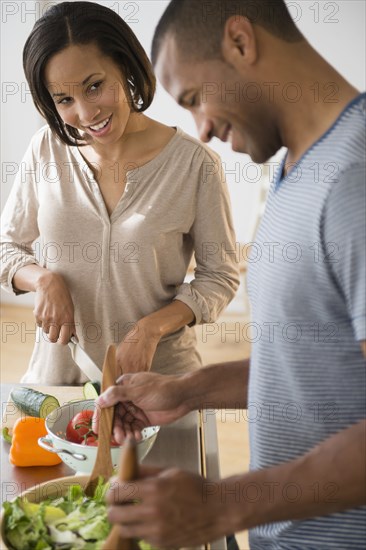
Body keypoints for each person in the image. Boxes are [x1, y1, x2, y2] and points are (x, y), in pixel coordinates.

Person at [95, 0, 366, 548]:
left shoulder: (355, 179)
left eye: (195, 98)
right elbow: (310, 365)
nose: (204, 129)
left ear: (240, 42)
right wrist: (187, 391)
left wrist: (223, 504)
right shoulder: (301, 169)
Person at [0, 1, 240, 384]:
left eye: (94, 87)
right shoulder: (45, 149)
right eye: (65, 100)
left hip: (160, 382)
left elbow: (220, 276)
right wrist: (43, 280)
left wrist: (152, 328)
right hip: (60, 379)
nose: (86, 113)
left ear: (126, 65)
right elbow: (6, 248)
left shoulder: (196, 165)